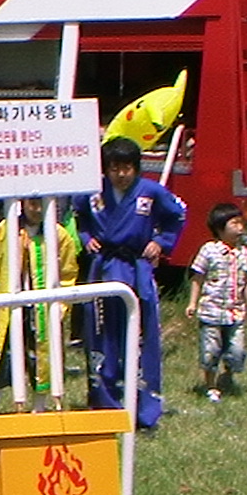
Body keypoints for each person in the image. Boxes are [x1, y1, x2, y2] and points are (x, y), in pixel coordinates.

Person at [78, 137, 186, 428]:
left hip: (135, 269)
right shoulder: (93, 193)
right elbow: (80, 219)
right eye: (114, 168)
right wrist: (86, 239)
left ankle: (144, 408)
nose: (121, 174)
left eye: (126, 168)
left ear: (136, 168)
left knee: (140, 335)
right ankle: (105, 404)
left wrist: (160, 242)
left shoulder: (150, 192)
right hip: (104, 269)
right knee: (102, 336)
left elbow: (178, 215)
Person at [0, 196, 80, 416]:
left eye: (41, 203)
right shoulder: (6, 230)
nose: (36, 209)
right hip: (9, 307)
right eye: (32, 203)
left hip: (41, 310)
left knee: (41, 360)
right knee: (2, 358)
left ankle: (39, 408)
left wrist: (60, 308)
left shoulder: (59, 235)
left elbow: (68, 274)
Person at [185, 203, 247, 402]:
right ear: (220, 228)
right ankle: (211, 386)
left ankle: (229, 374)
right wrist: (192, 303)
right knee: (210, 350)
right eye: (234, 224)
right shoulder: (209, 250)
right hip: (211, 311)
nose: (240, 228)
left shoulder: (243, 253)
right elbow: (198, 277)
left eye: (241, 224)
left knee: (237, 351)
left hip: (235, 313)